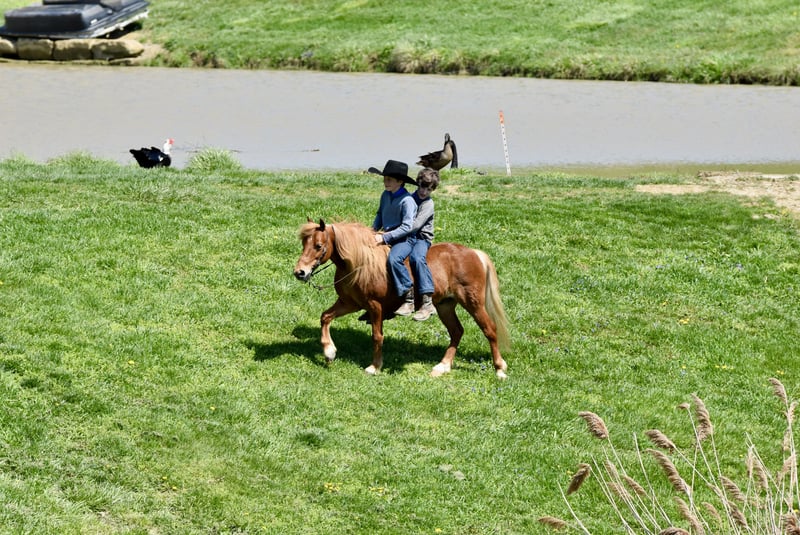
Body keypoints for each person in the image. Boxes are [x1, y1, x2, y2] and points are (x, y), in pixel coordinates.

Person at [368, 160, 418, 314]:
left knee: (394, 260)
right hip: (386, 235)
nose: (385, 182)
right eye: (385, 178)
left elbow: (407, 227)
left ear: (400, 181)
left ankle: (409, 296)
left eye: (389, 179)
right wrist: (373, 231)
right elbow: (380, 214)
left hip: (404, 239)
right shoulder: (385, 195)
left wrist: (385, 237)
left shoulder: (407, 201)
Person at [393, 168, 440, 321]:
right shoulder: (410, 198)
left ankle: (426, 301)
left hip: (421, 237)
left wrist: (396, 232)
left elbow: (415, 225)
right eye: (422, 187)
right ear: (417, 184)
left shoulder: (428, 204)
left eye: (429, 189)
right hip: (406, 235)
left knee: (417, 258)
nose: (424, 192)